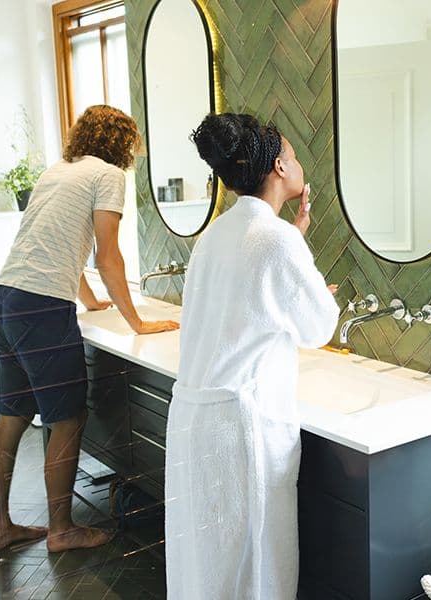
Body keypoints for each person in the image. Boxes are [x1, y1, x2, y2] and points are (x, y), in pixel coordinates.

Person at [0, 105, 179, 553]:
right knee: (67, 417)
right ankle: (62, 530)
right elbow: (106, 256)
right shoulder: (109, 175)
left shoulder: (57, 172)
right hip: (42, 310)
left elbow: (55, 246)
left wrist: (91, 302)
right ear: (120, 144)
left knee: (11, 418)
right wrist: (138, 322)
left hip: (6, 300)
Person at [165, 113, 339, 599]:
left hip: (198, 428)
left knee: (210, 565)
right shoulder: (277, 241)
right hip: (244, 433)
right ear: (280, 167)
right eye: (295, 153)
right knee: (254, 566)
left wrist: (295, 236)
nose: (299, 161)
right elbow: (319, 326)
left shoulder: (214, 237)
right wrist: (305, 268)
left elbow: (244, 297)